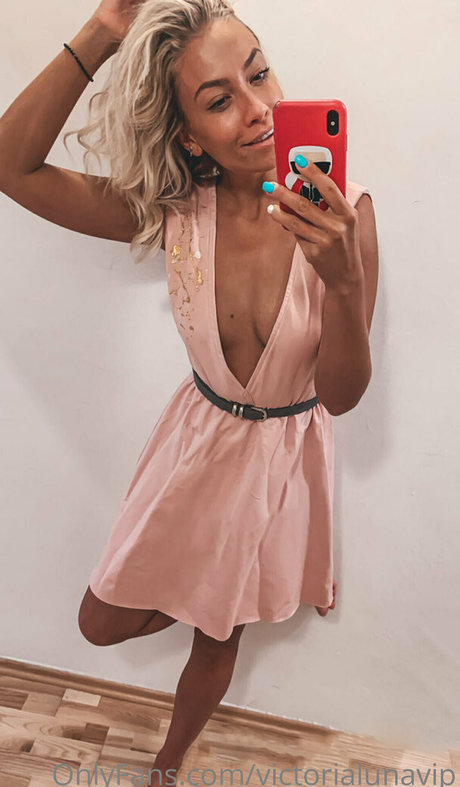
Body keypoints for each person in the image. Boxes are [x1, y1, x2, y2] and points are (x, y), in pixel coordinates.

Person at [0, 0, 378, 779]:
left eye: (259, 74)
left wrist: (343, 285)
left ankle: (168, 763)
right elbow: (11, 167)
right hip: (199, 443)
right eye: (219, 99)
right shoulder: (176, 213)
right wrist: (104, 31)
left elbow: (341, 396)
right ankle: (210, 585)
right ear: (188, 135)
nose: (258, 108)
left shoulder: (344, 213)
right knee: (100, 619)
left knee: (218, 635)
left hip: (282, 459)